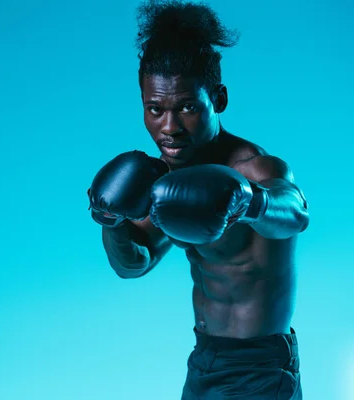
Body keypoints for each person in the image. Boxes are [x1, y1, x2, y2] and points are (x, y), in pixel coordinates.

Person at [86, 1, 310, 398]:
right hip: (205, 361)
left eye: (188, 107)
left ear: (218, 100)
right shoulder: (168, 180)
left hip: (259, 368)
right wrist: (112, 222)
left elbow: (294, 213)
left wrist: (248, 203)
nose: (169, 127)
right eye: (155, 109)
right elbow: (134, 264)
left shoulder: (255, 169)